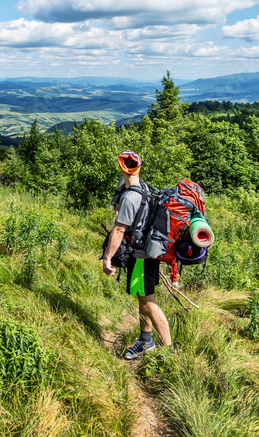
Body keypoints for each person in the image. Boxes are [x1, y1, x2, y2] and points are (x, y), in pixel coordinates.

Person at [102, 150, 174, 360]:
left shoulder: (130, 197)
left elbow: (118, 229)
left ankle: (170, 352)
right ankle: (145, 340)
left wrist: (107, 259)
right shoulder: (144, 189)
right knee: (143, 299)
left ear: (121, 168)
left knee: (149, 303)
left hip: (140, 257)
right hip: (148, 253)